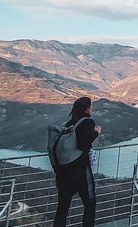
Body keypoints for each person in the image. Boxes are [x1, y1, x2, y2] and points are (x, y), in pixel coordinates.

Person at [53, 97, 102, 227]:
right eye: (90, 106)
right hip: (80, 171)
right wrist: (96, 133)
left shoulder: (67, 124)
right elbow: (82, 145)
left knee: (62, 207)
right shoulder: (88, 122)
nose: (91, 109)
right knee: (90, 203)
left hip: (63, 172)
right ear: (86, 109)